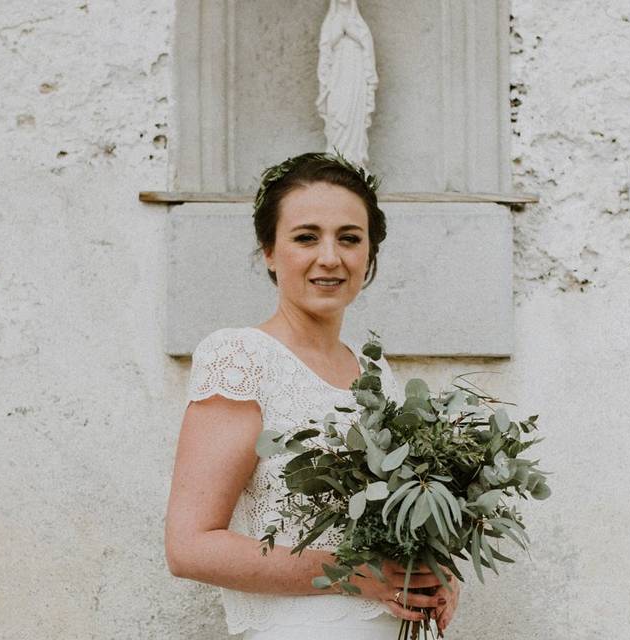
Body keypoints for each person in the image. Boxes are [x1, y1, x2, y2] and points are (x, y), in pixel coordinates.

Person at [165, 153, 461, 638]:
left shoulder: (375, 374)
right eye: (306, 237)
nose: (330, 257)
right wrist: (356, 573)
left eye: (349, 238)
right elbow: (190, 547)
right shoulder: (240, 357)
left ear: (370, 252)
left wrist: (434, 570)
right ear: (268, 250)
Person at [316, 0, 379, 167]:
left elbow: (368, 48)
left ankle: (354, 159)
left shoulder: (359, 24)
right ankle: (337, 157)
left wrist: (354, 34)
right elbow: (324, 50)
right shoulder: (330, 23)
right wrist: (337, 35)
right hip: (337, 78)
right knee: (336, 114)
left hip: (355, 79)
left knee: (354, 117)